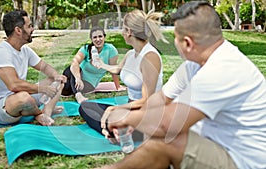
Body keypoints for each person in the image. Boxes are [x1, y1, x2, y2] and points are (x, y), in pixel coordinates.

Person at [97, 1, 266, 169]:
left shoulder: (223, 68)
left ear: (187, 43)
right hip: (213, 142)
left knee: (167, 139)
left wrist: (125, 118)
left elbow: (168, 123)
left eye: (175, 38)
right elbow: (161, 99)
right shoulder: (196, 62)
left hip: (242, 160)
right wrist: (130, 119)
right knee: (156, 133)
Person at [79, 9, 168, 141]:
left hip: (147, 116)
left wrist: (115, 108)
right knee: (85, 107)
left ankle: (117, 130)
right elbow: (118, 69)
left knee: (107, 115)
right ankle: (115, 129)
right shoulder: (131, 54)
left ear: (129, 32)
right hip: (129, 109)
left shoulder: (150, 57)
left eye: (123, 29)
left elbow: (146, 101)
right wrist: (101, 64)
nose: (122, 33)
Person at [0, 10, 66, 126]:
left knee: (57, 80)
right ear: (18, 30)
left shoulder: (25, 50)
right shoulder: (0, 52)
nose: (33, 29)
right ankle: (38, 113)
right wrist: (43, 89)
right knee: (24, 98)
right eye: (29, 26)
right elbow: (14, 85)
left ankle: (47, 111)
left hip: (20, 95)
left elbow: (45, 67)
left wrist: (56, 76)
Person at [62, 26, 121, 104]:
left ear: (104, 37)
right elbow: (75, 62)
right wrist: (78, 78)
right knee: (73, 68)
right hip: (77, 77)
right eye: (95, 37)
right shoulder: (86, 49)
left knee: (65, 88)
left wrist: (118, 86)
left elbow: (113, 69)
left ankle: (61, 87)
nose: (98, 39)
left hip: (89, 84)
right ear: (91, 39)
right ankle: (78, 94)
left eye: (100, 36)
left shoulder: (110, 49)